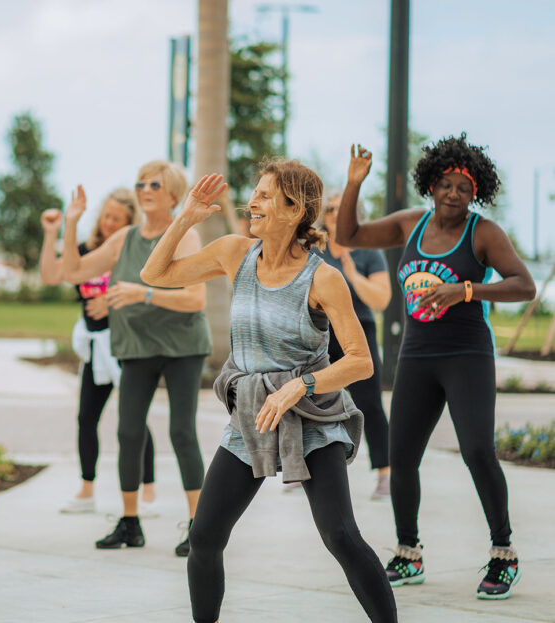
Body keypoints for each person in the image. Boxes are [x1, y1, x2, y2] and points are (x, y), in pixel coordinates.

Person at [142, 162, 397, 623]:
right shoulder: (234, 253)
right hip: (253, 413)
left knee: (339, 535)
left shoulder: (323, 279)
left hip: (313, 416)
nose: (252, 202)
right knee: (204, 536)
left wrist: (300, 384)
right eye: (255, 193)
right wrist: (185, 217)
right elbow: (155, 274)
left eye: (264, 195)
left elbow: (360, 361)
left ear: (294, 209)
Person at [336, 137, 536, 600]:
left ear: (476, 193)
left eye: (463, 188)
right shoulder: (411, 224)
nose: (452, 194)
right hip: (417, 356)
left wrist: (466, 290)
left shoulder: (483, 233)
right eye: (445, 184)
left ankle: (503, 553)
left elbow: (523, 285)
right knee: (402, 457)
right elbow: (349, 235)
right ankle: (408, 552)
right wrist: (352, 185)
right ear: (431, 183)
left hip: (466, 354)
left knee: (478, 452)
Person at [61, 161, 210, 556]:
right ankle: (130, 524)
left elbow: (196, 299)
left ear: (173, 195)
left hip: (182, 346)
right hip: (138, 346)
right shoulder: (125, 238)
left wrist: (143, 293)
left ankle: (199, 528)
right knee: (128, 431)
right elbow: (72, 269)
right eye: (141, 183)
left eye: (155, 185)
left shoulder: (185, 236)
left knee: (182, 431)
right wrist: (71, 223)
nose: (145, 189)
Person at [40, 188, 159, 514]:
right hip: (95, 350)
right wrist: (54, 233)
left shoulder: (132, 253)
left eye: (117, 219)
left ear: (130, 222)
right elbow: (51, 275)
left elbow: (151, 292)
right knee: (86, 418)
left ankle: (147, 491)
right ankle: (86, 490)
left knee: (134, 421)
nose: (109, 223)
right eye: (106, 216)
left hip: (125, 347)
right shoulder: (88, 252)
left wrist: (111, 301)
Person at [285, 194, 392, 498]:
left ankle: (385, 474)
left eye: (341, 209)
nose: (334, 214)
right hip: (319, 331)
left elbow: (381, 300)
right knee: (309, 397)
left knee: (369, 404)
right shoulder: (314, 248)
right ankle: (300, 468)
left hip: (358, 330)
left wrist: (354, 274)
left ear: (355, 213)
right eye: (330, 209)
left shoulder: (369, 252)